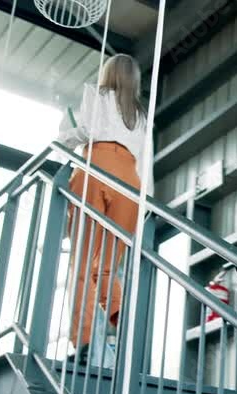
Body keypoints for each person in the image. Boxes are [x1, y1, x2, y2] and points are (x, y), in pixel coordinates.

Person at [57, 53, 153, 364]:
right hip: (130, 182)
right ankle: (119, 318)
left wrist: (62, 139)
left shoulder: (96, 95)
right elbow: (146, 161)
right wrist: (145, 202)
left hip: (96, 169)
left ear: (107, 73)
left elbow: (87, 132)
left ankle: (84, 342)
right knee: (107, 266)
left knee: (84, 263)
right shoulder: (140, 115)